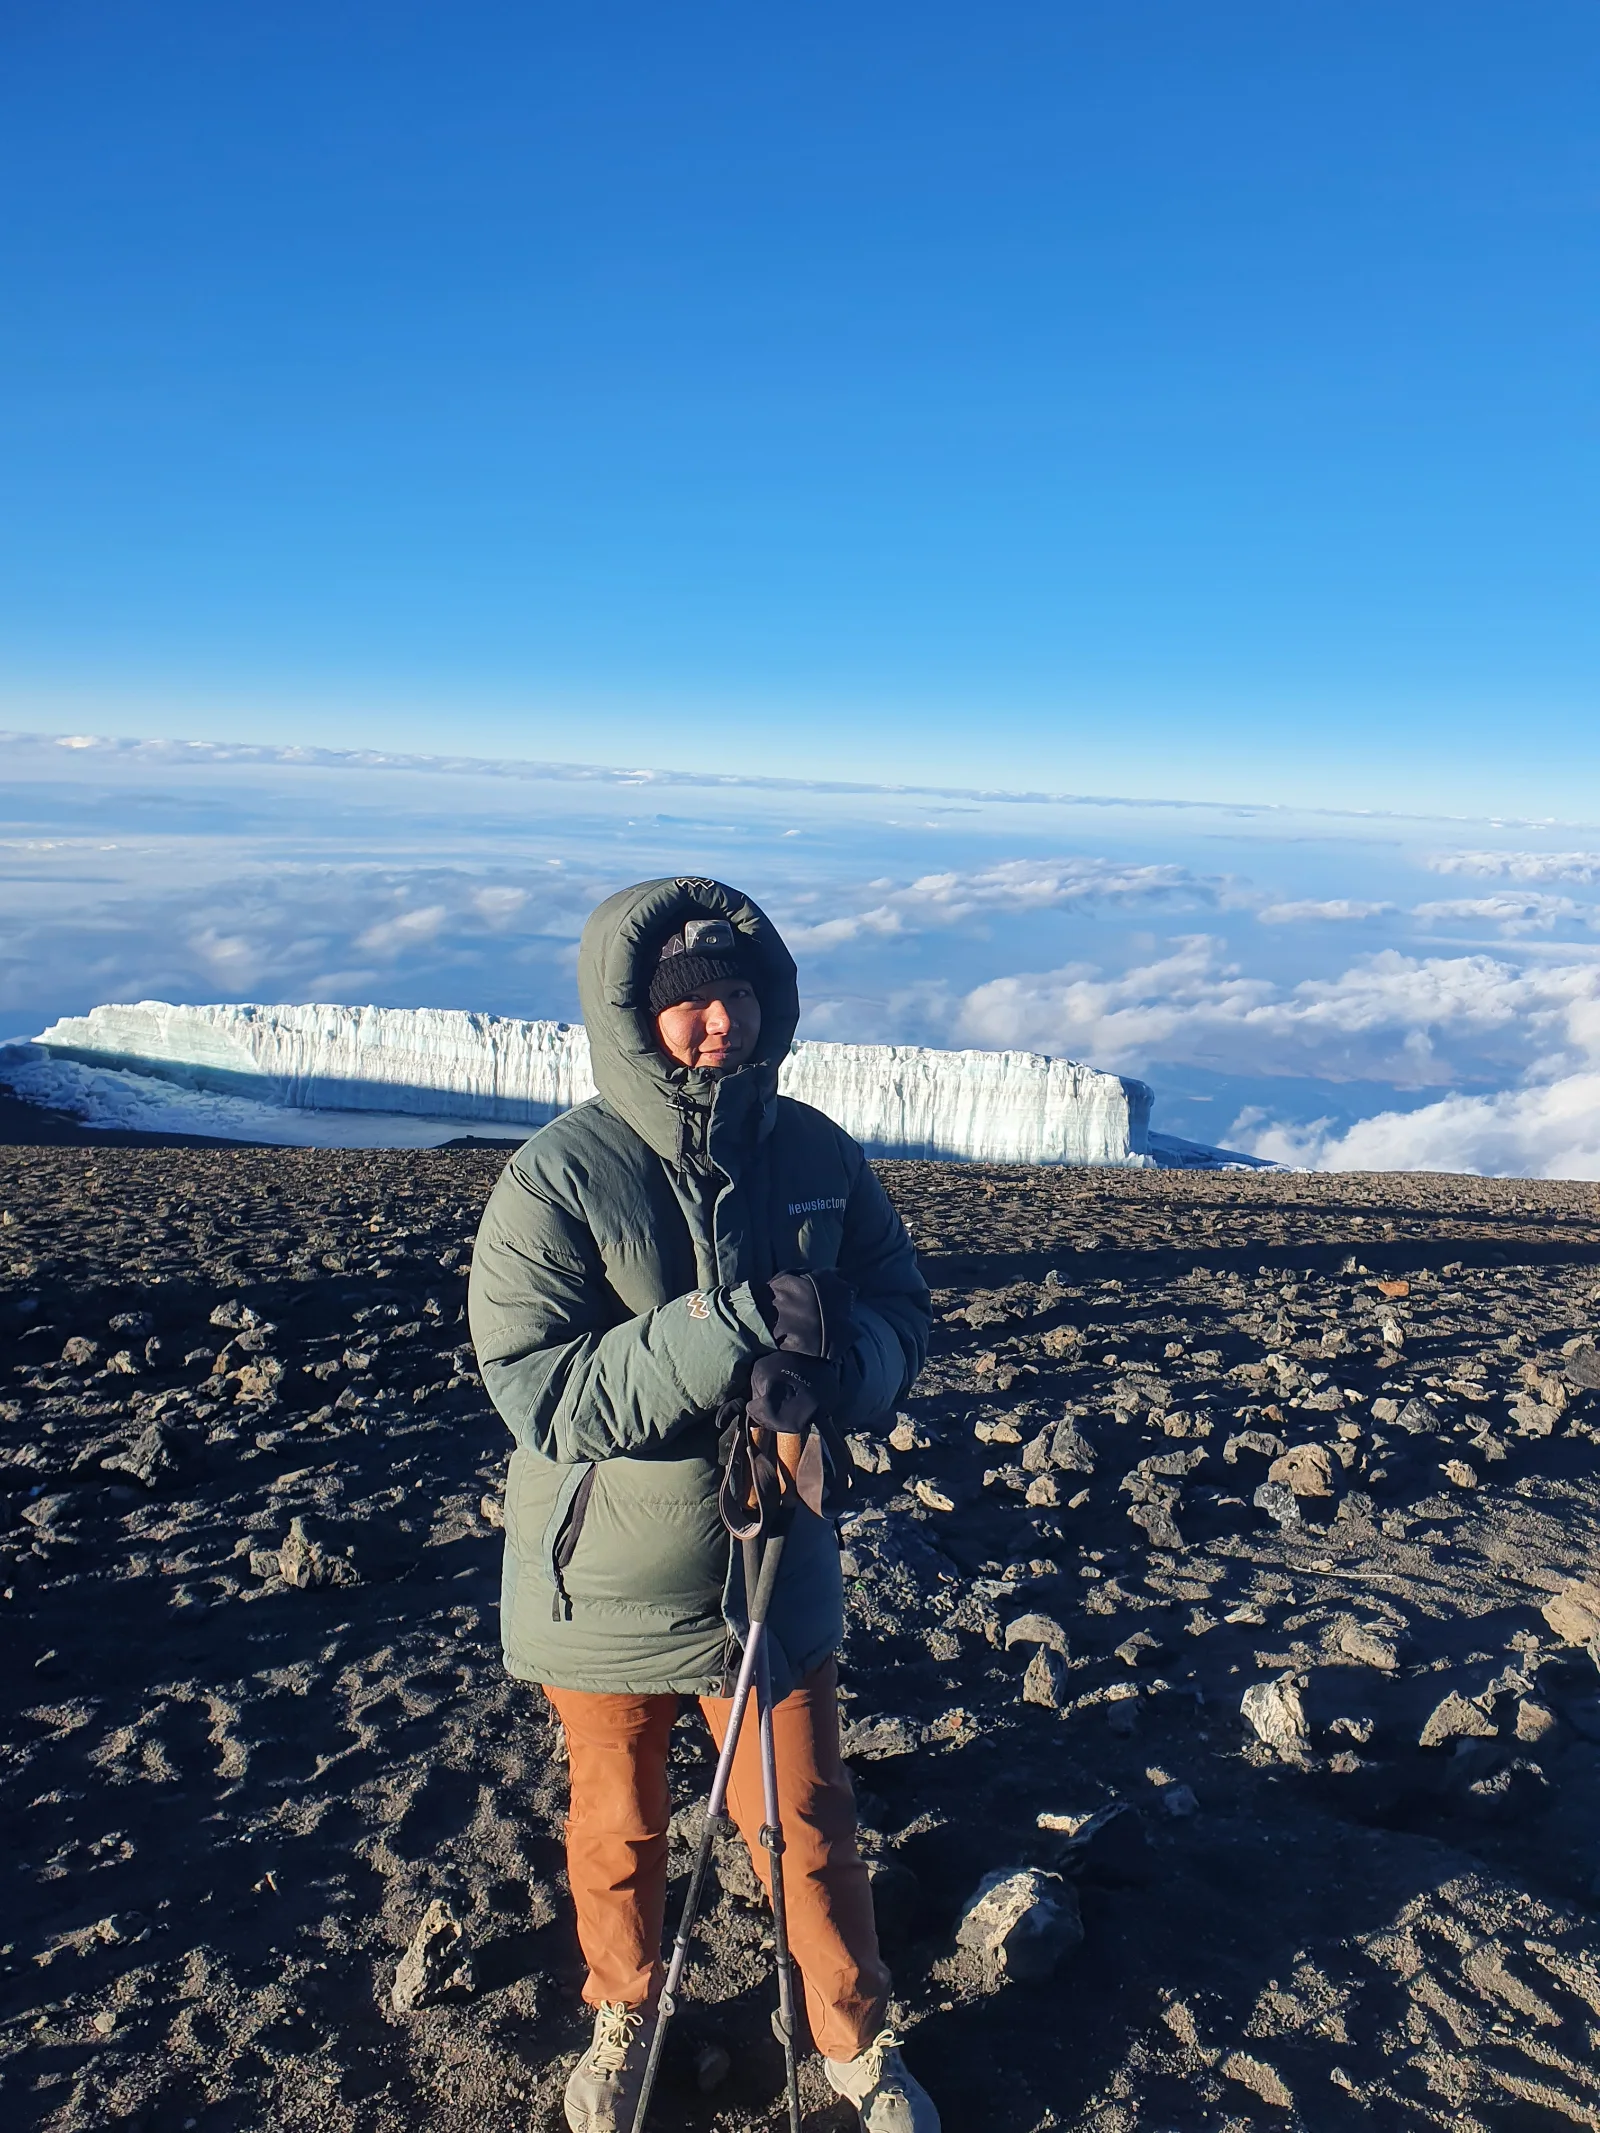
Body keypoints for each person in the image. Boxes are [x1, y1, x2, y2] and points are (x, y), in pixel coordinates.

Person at [469, 876, 938, 2133]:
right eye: (686, 1004)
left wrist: (847, 1360)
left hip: (772, 1562)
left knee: (807, 1822)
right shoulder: (557, 1177)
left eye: (735, 994)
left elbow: (901, 1307)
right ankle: (625, 2010)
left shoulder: (815, 1153)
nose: (716, 1022)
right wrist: (724, 1331)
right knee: (617, 1826)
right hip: (609, 1578)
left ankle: (853, 2042)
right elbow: (543, 1394)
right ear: (634, 1019)